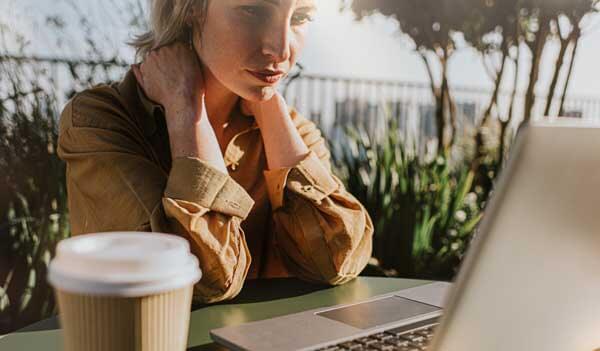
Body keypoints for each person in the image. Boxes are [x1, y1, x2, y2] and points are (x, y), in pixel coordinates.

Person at [57, 0, 373, 304]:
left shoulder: (292, 131)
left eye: (300, 16)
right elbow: (209, 281)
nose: (281, 49)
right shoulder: (99, 122)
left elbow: (337, 261)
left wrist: (270, 106)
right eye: (253, 10)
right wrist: (185, 107)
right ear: (191, 7)